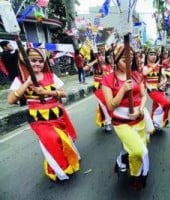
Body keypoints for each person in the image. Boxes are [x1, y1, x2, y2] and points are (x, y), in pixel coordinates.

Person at [7, 48, 80, 181]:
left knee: (63, 141)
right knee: (52, 141)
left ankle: (70, 162)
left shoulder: (51, 76)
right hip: (38, 120)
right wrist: (27, 84)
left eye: (41, 61)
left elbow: (63, 93)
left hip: (57, 115)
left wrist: (47, 93)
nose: (37, 64)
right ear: (26, 61)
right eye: (33, 60)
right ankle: (59, 171)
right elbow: (11, 100)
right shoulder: (20, 79)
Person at [101, 44, 149, 189]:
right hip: (121, 123)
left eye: (130, 59)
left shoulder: (136, 75)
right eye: (123, 59)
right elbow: (110, 106)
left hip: (139, 120)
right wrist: (122, 90)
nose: (127, 63)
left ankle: (122, 160)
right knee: (139, 151)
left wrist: (140, 110)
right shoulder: (108, 79)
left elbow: (143, 96)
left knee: (136, 149)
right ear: (115, 59)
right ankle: (135, 174)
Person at [84, 50, 113, 132]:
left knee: (110, 104)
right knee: (104, 105)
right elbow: (85, 68)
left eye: (103, 55)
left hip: (108, 88)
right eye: (99, 55)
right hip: (98, 89)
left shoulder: (109, 65)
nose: (101, 57)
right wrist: (95, 61)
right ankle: (108, 124)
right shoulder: (95, 66)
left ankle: (107, 120)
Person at [143, 48, 170, 131]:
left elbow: (165, 78)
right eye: (151, 54)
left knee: (155, 106)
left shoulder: (159, 67)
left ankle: (153, 121)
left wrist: (162, 83)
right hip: (152, 90)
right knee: (166, 103)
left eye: (154, 54)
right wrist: (154, 66)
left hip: (160, 90)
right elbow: (145, 73)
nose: (153, 56)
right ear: (147, 56)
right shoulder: (145, 67)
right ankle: (156, 121)